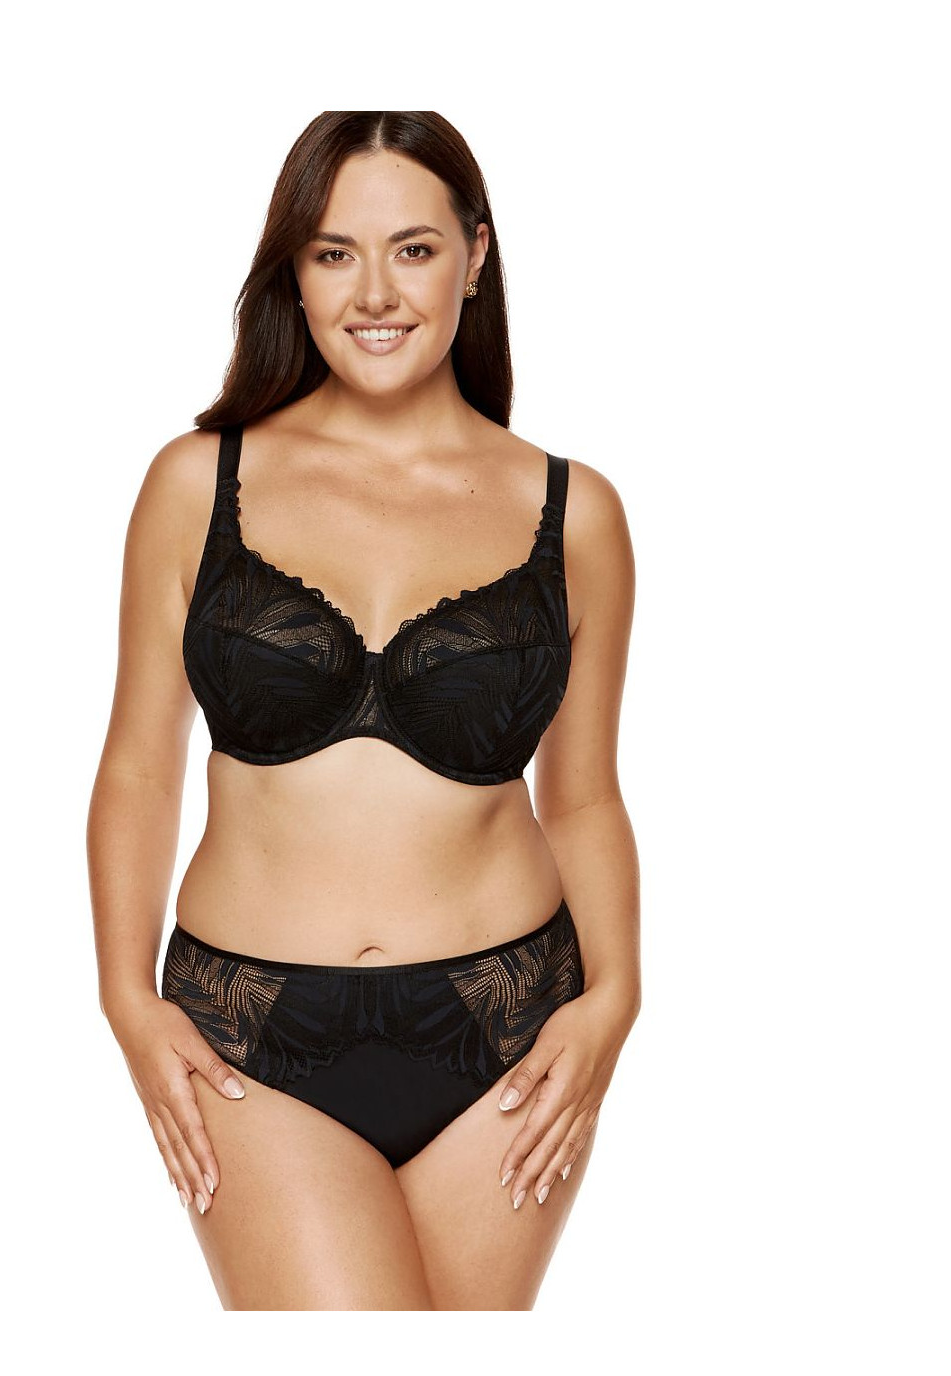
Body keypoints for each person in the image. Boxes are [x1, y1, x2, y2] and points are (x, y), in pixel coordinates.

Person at [87, 110, 641, 1311]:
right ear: (293, 270)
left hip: (510, 1024)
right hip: (249, 1035)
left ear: (474, 256)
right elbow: (138, 764)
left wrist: (614, 999)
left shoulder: (575, 512)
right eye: (333, 253)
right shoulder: (196, 484)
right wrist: (124, 997)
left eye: (413, 249)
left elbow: (584, 795)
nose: (374, 293)